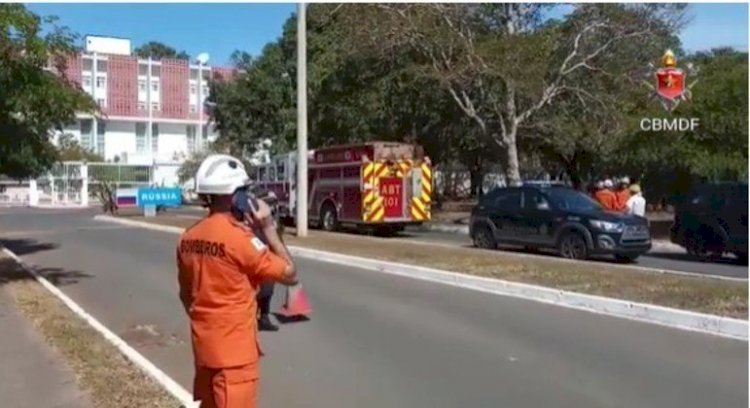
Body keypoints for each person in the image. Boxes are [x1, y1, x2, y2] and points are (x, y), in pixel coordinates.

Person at [177, 154, 298, 408]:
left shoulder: (188, 238)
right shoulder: (241, 241)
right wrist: (267, 228)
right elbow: (290, 274)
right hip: (236, 360)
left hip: (204, 353)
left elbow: (186, 296)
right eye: (245, 192)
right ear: (236, 197)